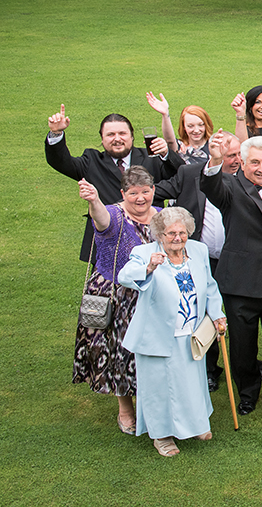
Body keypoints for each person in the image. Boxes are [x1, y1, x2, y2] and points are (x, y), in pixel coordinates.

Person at [118, 207, 226, 457]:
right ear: (159, 235)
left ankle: (196, 424)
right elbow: (125, 276)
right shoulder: (145, 253)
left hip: (191, 332)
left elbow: (209, 286)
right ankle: (162, 436)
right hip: (157, 335)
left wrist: (217, 313)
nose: (177, 238)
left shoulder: (197, 250)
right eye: (170, 234)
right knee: (160, 388)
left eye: (182, 232)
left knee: (191, 383)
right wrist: (148, 267)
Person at [200, 133, 262, 415]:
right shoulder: (229, 187)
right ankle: (248, 394)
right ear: (243, 163)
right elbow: (210, 185)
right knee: (243, 345)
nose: (261, 168)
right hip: (241, 282)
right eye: (254, 163)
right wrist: (214, 158)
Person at [153, 132, 241, 391]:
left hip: (236, 260)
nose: (236, 161)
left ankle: (245, 366)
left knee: (236, 314)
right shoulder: (190, 173)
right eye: (229, 156)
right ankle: (209, 369)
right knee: (202, 314)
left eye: (238, 155)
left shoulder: (248, 177)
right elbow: (157, 194)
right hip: (199, 260)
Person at [75, 168, 160, 436]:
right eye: (133, 193)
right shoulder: (113, 213)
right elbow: (101, 219)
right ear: (123, 194)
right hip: (117, 295)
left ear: (153, 191)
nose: (140, 198)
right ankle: (125, 408)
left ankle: (153, 404)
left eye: (145, 192)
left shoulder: (161, 215)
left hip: (153, 295)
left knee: (153, 352)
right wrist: (93, 201)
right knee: (120, 353)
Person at [46, 106, 182, 262]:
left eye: (122, 133)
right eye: (110, 134)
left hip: (149, 240)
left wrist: (167, 154)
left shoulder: (152, 157)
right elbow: (61, 162)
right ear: (102, 138)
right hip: (108, 242)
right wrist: (56, 133)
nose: (117, 139)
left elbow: (181, 177)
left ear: (132, 137)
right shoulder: (91, 161)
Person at [146, 92, 215, 164]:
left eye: (201, 125)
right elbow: (170, 141)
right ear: (184, 127)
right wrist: (165, 114)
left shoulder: (215, 146)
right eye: (190, 126)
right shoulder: (180, 147)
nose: (196, 130)